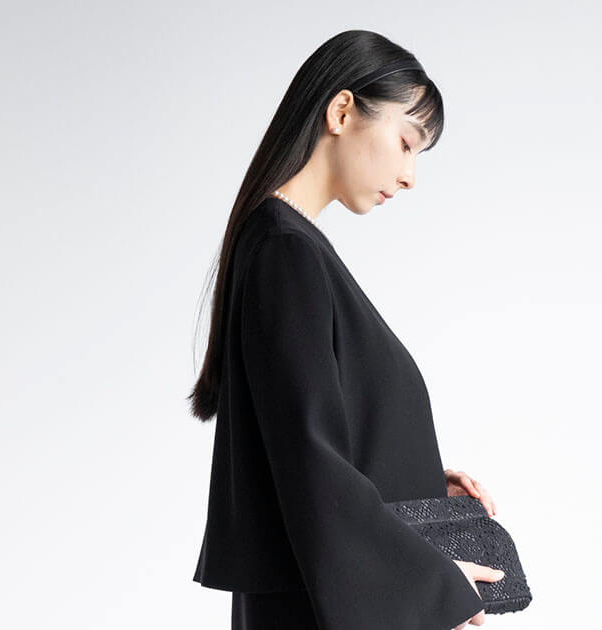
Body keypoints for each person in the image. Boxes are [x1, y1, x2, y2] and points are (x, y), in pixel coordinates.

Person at [187, 30, 504, 630]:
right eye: (406, 143)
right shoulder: (286, 252)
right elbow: (309, 465)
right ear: (341, 112)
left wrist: (420, 482)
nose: (409, 176)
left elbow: (308, 438)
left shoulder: (286, 245)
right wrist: (431, 583)